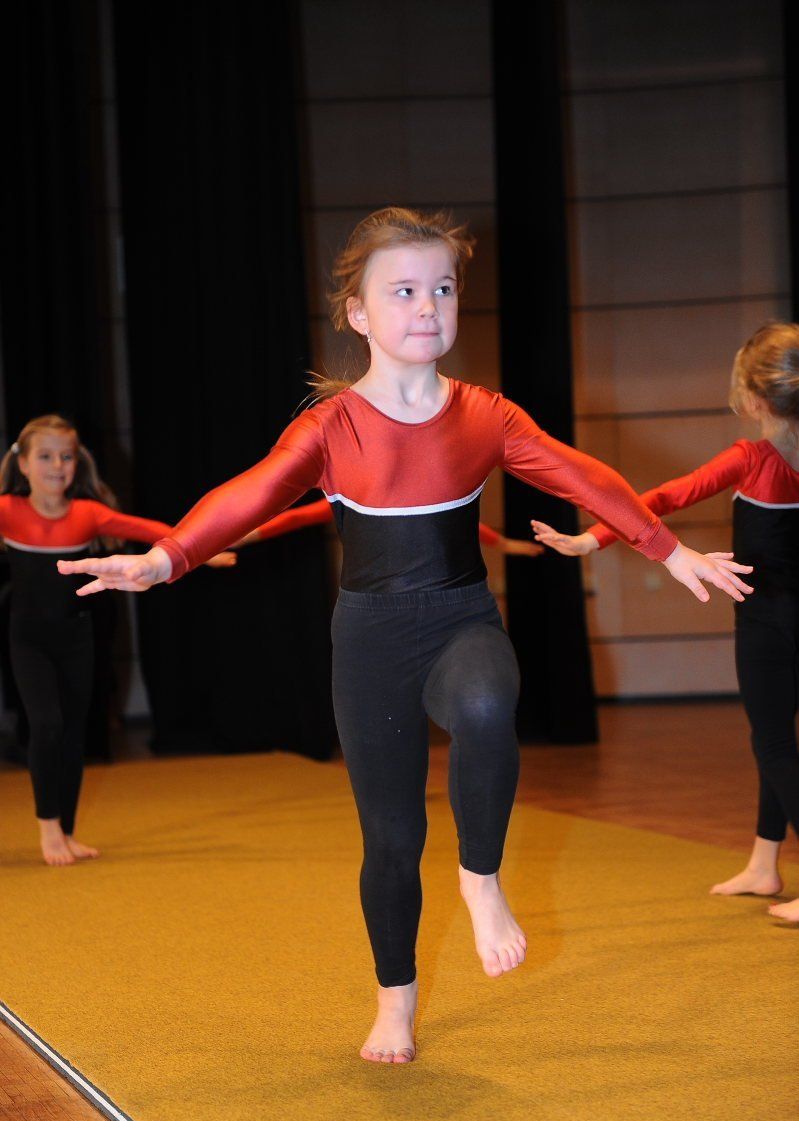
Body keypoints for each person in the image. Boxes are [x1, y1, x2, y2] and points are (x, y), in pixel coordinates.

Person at [58, 208, 752, 1063]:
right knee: (391, 839)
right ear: (357, 312)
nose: (427, 306)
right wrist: (165, 559)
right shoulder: (331, 426)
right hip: (372, 642)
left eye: (443, 289)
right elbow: (251, 494)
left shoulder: (485, 414)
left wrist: (667, 549)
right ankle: (396, 1002)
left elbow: (581, 476)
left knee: (488, 703)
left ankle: (481, 878)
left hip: (461, 618)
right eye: (404, 291)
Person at [531, 321, 799, 924]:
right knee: (777, 735)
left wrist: (591, 539)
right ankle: (764, 862)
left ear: (755, 399)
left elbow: (663, 498)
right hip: (782, 617)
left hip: (766, 621)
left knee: (775, 742)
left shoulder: (751, 458)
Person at [0, 414, 233, 867]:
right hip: (28, 640)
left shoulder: (88, 514)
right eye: (45, 456)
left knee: (74, 731)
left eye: (66, 456)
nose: (57, 466)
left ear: (78, 462)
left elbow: (152, 531)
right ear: (23, 463)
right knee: (46, 724)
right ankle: (49, 828)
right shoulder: (9, 510)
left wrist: (202, 551)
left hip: (78, 638)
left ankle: (67, 832)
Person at [244, 493, 542, 558]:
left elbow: (456, 523)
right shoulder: (348, 498)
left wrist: (504, 544)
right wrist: (238, 537)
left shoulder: (410, 493)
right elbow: (296, 518)